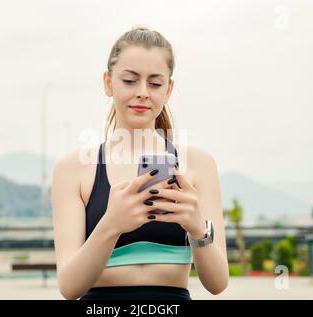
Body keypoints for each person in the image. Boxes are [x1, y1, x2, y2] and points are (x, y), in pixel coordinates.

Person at [52, 26, 228, 300]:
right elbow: (69, 287)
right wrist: (111, 224)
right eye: (130, 81)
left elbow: (217, 283)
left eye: (155, 83)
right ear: (108, 83)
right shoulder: (73, 169)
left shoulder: (199, 164)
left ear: (169, 89)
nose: (143, 92)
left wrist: (197, 228)